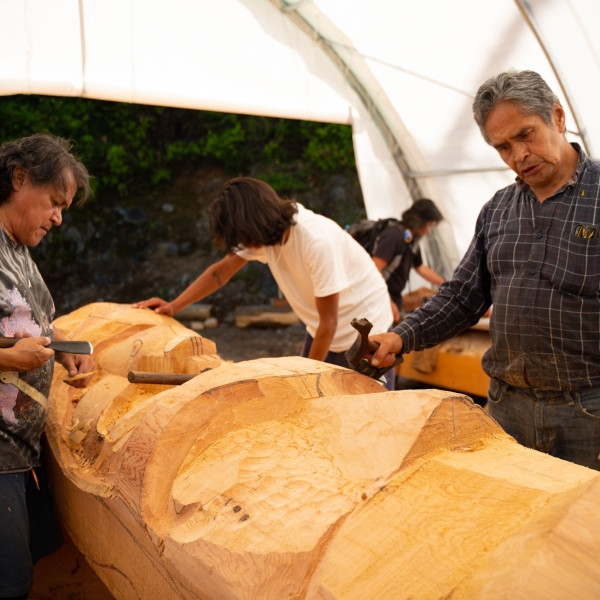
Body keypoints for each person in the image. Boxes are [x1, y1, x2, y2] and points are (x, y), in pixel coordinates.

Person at [366, 69, 600, 470]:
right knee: (511, 522)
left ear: (558, 118)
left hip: (588, 414)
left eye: (525, 135)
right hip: (507, 408)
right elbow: (463, 295)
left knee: (585, 529)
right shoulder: (498, 210)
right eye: (503, 147)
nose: (518, 155)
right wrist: (401, 336)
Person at [134, 177, 393, 374]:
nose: (242, 246)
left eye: (243, 237)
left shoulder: (316, 242)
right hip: (322, 328)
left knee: (359, 415)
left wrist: (304, 376)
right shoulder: (268, 235)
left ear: (255, 224)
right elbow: (220, 272)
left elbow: (330, 323)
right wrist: (173, 306)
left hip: (366, 332)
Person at [0, 133, 94, 599]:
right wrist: (7, 358)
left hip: (18, 451)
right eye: (54, 202)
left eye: (64, 208)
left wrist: (63, 345)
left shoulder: (18, 250)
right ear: (19, 178)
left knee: (28, 566)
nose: (58, 218)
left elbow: (34, 323)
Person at [370, 199, 445, 322]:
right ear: (419, 220)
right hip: (378, 301)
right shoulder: (394, 235)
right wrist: (387, 301)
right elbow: (374, 270)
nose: (429, 231)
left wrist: (446, 285)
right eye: (430, 225)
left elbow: (420, 267)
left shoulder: (410, 240)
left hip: (392, 299)